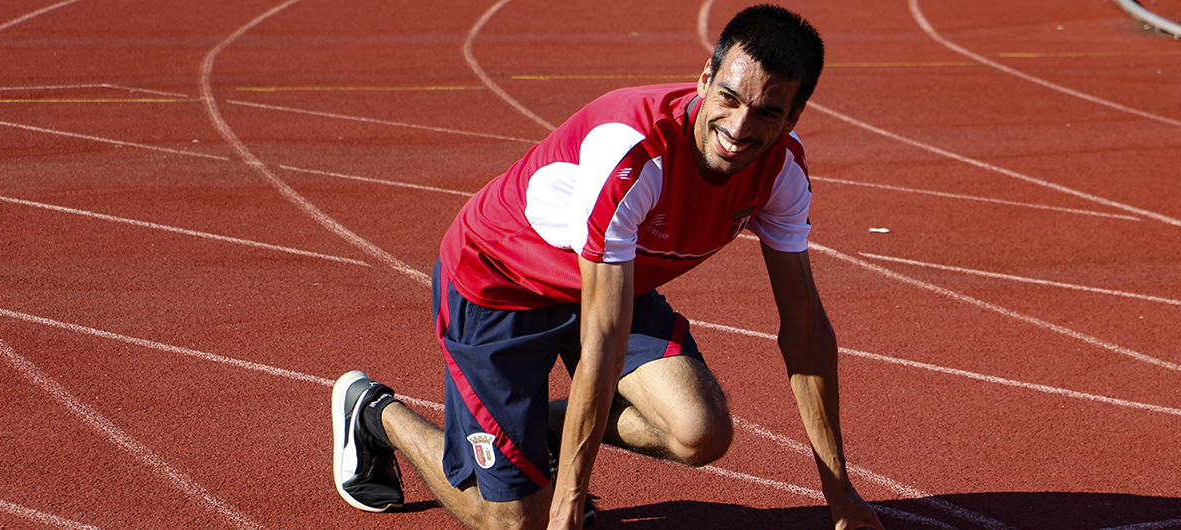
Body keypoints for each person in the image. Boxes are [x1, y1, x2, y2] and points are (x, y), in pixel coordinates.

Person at [332, 5, 885, 529]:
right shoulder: (633, 154)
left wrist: (842, 495)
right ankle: (377, 413)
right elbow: (603, 334)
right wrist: (569, 502)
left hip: (608, 283)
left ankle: (539, 437)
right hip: (499, 284)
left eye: (767, 112)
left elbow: (806, 330)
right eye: (730, 97)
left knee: (701, 432)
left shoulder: (781, 172)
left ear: (793, 117)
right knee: (517, 522)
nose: (739, 127)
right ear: (703, 80)